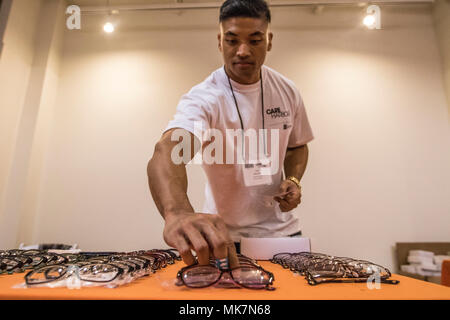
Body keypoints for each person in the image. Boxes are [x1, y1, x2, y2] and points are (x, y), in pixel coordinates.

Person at [147, 0, 314, 269]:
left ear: (269, 41)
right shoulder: (204, 97)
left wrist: (294, 178)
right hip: (223, 237)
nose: (243, 51)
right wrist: (176, 212)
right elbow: (167, 151)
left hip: (283, 235)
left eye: (255, 40)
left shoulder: (287, 90)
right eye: (232, 40)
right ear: (219, 41)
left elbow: (297, 145)